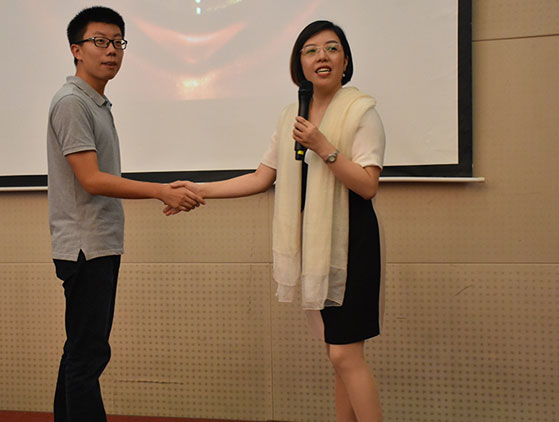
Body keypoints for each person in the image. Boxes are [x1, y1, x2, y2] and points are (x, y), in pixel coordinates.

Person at [169, 20, 385, 422]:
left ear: (346, 61)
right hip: (314, 243)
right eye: (311, 50)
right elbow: (261, 177)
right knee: (336, 353)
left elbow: (368, 185)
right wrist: (200, 189)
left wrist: (323, 146)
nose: (321, 56)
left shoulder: (362, 112)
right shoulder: (291, 117)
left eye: (332, 48)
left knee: (345, 354)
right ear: (299, 65)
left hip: (352, 242)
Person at [46, 6, 204, 422]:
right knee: (88, 355)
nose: (112, 50)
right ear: (76, 49)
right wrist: (159, 191)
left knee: (81, 350)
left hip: (99, 243)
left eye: (118, 42)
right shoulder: (72, 103)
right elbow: (91, 179)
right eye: (100, 42)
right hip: (85, 246)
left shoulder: (96, 102)